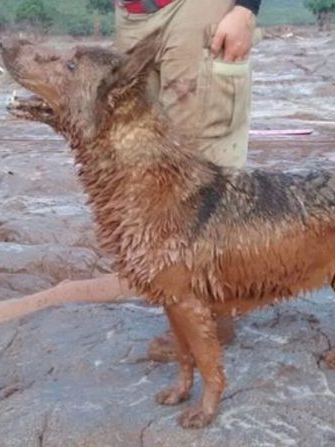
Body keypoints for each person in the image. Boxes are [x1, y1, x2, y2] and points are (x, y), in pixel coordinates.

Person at [111, 0, 262, 360]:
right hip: (131, 14)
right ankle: (181, 295)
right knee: (138, 153)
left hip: (198, 10)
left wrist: (246, 9)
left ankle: (215, 311)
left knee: (200, 161)